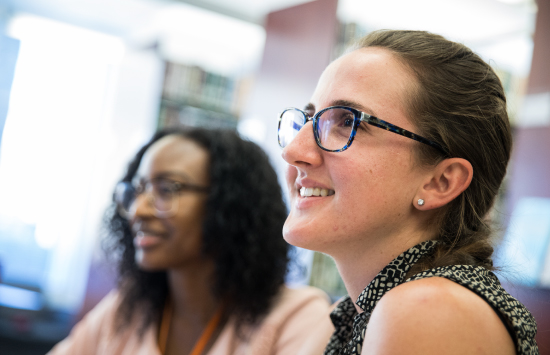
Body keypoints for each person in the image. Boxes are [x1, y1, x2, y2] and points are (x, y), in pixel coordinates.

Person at [278, 30, 538, 355]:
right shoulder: (351, 315)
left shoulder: (430, 311)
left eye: (347, 121)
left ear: (440, 182)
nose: (294, 150)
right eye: (308, 120)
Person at [49, 127, 330, 355]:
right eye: (138, 190)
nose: (138, 210)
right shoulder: (127, 311)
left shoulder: (296, 318)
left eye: (167, 189)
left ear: (228, 205)